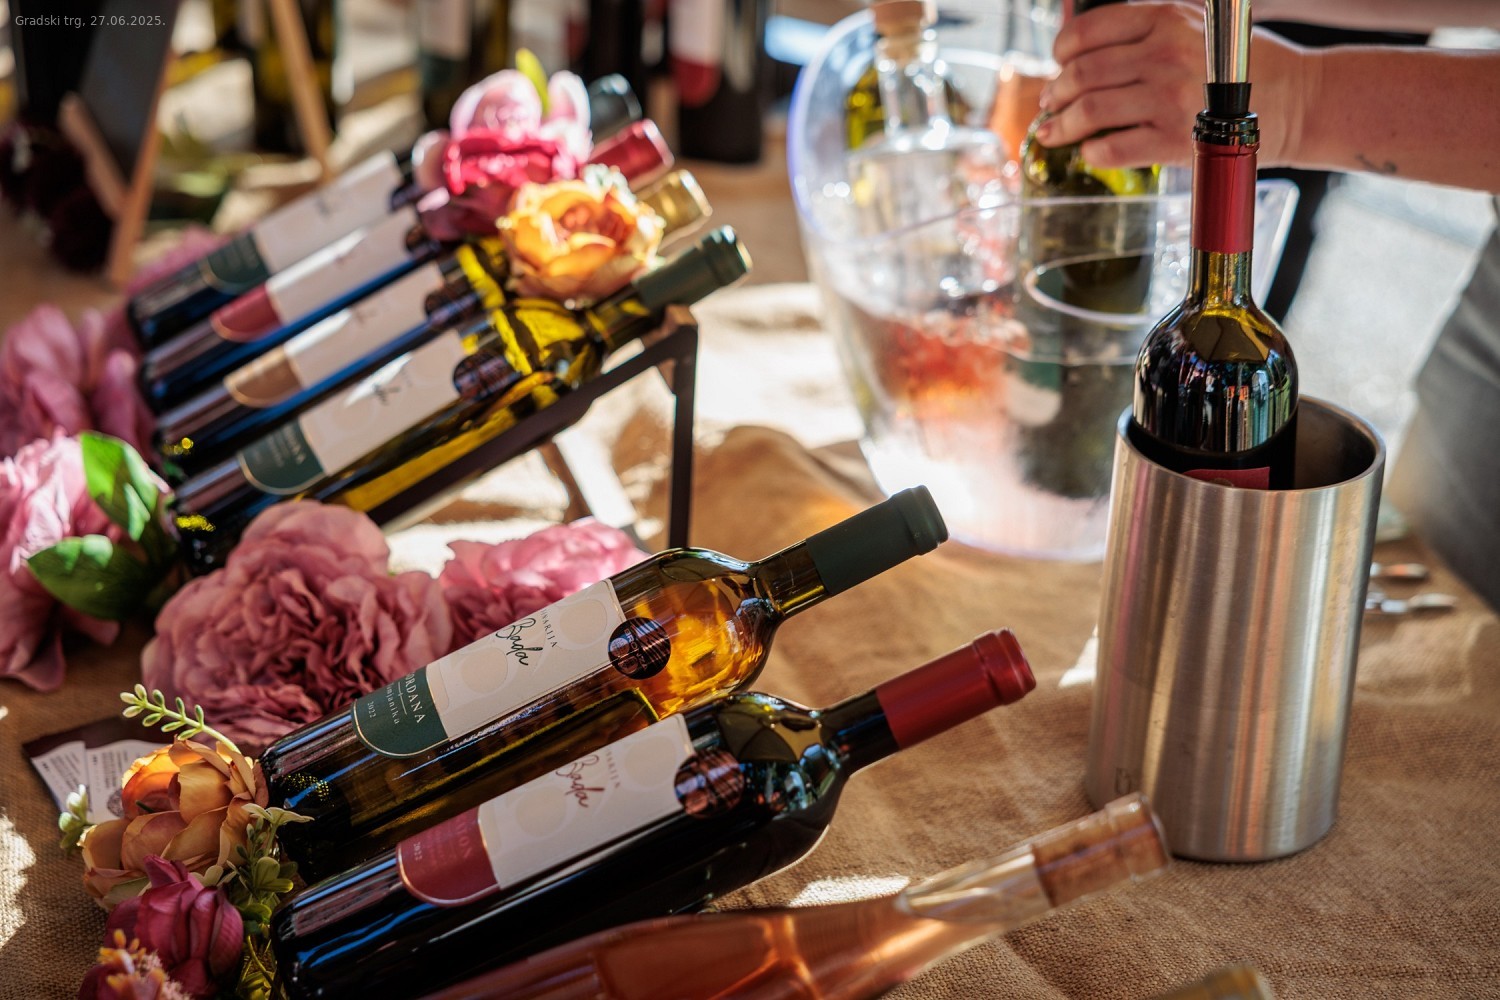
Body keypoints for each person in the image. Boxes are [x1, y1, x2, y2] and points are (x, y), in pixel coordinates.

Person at [1029, 0, 1500, 609]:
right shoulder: (1174, 345)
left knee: (1463, 606)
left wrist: (1303, 97)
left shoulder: (1262, 358)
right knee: (1441, 573)